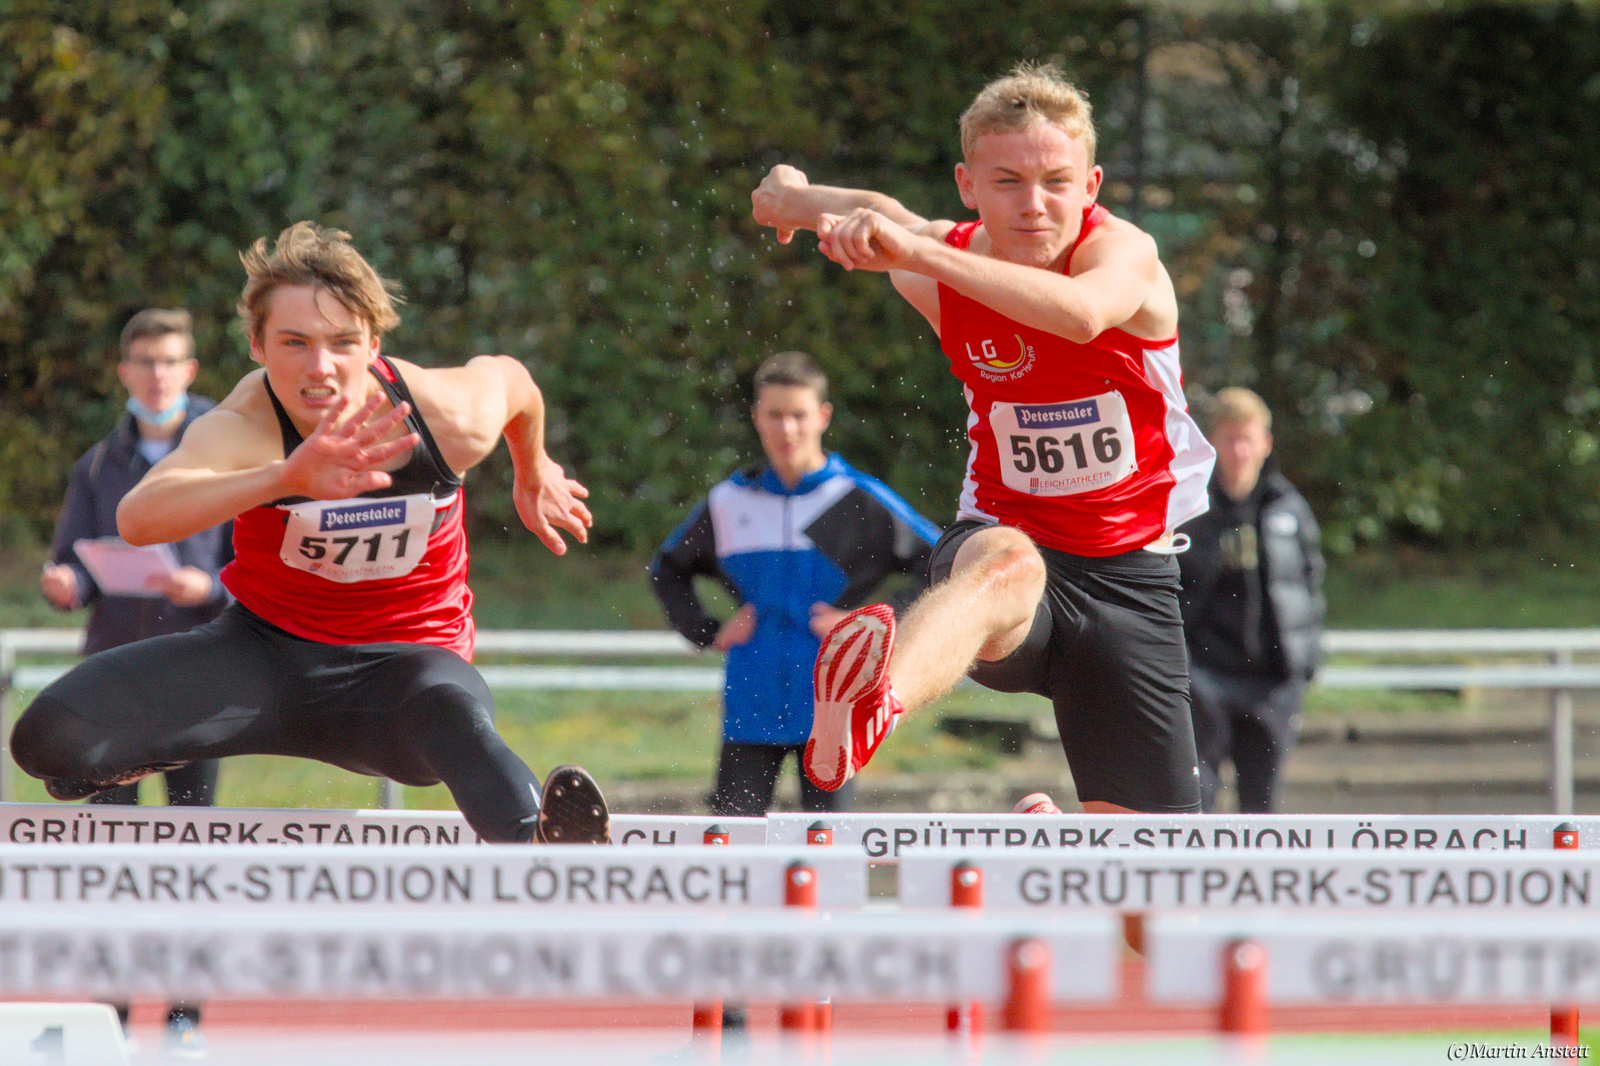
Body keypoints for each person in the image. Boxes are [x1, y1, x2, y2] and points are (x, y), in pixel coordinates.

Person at [12, 221, 610, 848]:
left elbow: (514, 380)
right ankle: (140, 751)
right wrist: (285, 477)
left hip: (406, 675)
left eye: (342, 343)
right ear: (257, 345)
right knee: (47, 742)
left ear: (373, 344)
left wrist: (533, 468)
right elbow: (138, 518)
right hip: (264, 659)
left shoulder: (443, 417)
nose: (319, 368)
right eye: (294, 342)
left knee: (456, 717)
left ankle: (545, 850)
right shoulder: (245, 426)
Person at [751, 62, 1215, 813]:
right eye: (1008, 182)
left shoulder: (1123, 254)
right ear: (967, 185)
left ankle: (1054, 854)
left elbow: (1080, 315)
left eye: (1057, 182)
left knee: (1151, 873)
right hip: (999, 564)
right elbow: (880, 209)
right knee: (1011, 560)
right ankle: (872, 701)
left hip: (1131, 582)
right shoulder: (938, 258)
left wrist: (914, 250)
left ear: (1091, 185)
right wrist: (789, 198)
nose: (1034, 205)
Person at [39, 307, 231, 1057]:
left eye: (170, 360)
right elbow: (75, 559)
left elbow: (255, 566)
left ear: (191, 370)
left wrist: (208, 587)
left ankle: (185, 1019)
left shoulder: (228, 455)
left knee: (192, 854)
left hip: (199, 676)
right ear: (125, 372)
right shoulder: (96, 466)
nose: (157, 374)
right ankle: (111, 1017)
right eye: (145, 361)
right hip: (112, 685)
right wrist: (68, 583)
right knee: (112, 857)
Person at [650, 351, 940, 816]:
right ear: (756, 417)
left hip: (833, 710)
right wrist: (707, 630)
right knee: (734, 846)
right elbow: (667, 569)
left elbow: (943, 563)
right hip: (750, 706)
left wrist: (868, 625)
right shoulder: (729, 501)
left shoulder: (858, 498)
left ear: (823, 416)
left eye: (798, 415)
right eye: (775, 415)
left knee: (830, 851)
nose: (787, 429)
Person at [1177, 387, 1325, 813]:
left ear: (1266, 443)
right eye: (1229, 439)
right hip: (1204, 676)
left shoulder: (1289, 508)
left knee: (1263, 808)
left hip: (1271, 680)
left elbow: (1311, 589)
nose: (1239, 451)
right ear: (1212, 442)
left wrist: (1305, 662)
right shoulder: (1189, 507)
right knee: (1197, 801)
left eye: (1247, 439)